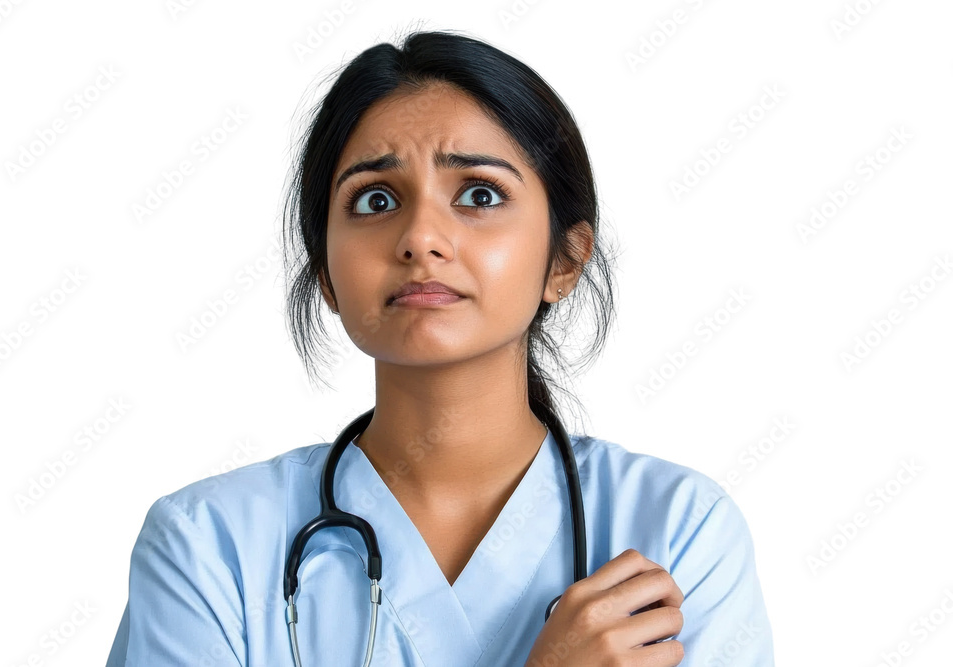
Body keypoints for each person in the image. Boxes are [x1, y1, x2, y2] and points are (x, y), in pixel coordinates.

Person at [106, 28, 775, 666]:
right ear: (326, 277)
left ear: (564, 261)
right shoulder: (207, 546)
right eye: (374, 200)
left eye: (479, 194)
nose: (421, 236)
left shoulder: (680, 531)